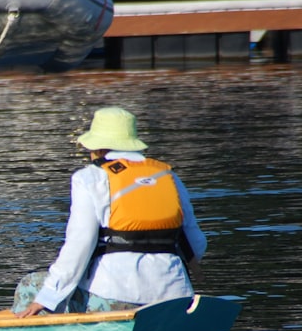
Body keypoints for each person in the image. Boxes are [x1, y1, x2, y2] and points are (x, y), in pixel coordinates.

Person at [13, 107, 206, 318]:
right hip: (175, 295)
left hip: (114, 295)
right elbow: (196, 244)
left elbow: (80, 245)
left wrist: (46, 298)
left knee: (31, 284)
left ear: (98, 149)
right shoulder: (169, 177)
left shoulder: (89, 178)